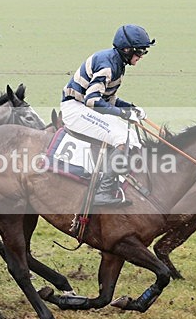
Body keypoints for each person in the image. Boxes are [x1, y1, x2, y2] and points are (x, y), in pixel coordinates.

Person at [61, 24, 154, 206]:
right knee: (120, 137)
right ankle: (103, 192)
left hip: (85, 107)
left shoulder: (117, 63)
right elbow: (93, 101)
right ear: (126, 49)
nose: (141, 56)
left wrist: (130, 108)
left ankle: (115, 178)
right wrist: (123, 114)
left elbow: (108, 99)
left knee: (131, 137)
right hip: (75, 108)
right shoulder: (108, 65)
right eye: (140, 52)